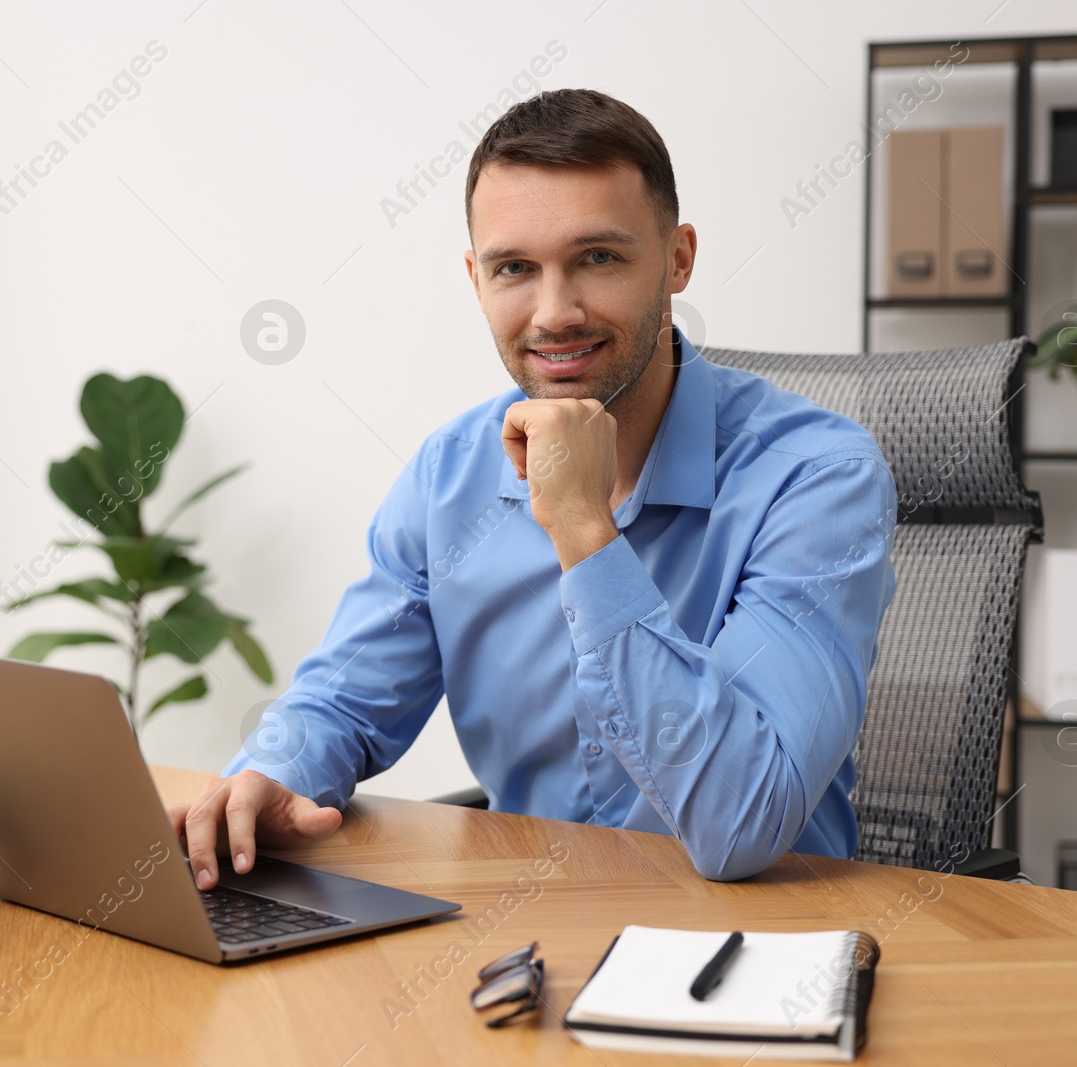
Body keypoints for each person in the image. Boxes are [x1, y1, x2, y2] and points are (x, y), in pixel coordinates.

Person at [171, 89, 896, 887]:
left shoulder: (817, 476)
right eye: (515, 267)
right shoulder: (449, 475)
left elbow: (741, 824)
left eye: (599, 258)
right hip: (521, 938)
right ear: (476, 277)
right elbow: (343, 700)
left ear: (678, 258)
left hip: (755, 955)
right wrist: (272, 774)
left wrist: (586, 530)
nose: (555, 313)